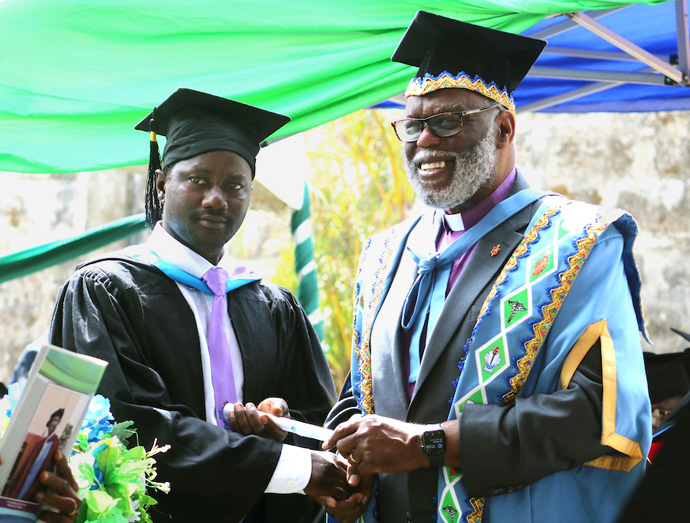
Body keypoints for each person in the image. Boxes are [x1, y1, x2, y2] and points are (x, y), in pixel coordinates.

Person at [323, 11, 651, 523]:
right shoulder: (385, 253)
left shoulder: (578, 242)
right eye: (412, 125)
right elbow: (364, 391)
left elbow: (601, 413)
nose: (424, 141)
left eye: (447, 121)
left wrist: (429, 445)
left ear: (503, 128)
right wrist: (340, 462)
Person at [49, 88, 349, 522]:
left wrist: (281, 424)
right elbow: (130, 429)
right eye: (198, 180)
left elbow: (320, 428)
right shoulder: (105, 291)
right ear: (161, 183)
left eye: (234, 186)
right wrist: (286, 466)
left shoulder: (273, 306)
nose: (216, 198)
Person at [4, 408, 63, 501]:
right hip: (28, 474)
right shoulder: (41, 442)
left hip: (38, 478)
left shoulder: (55, 443)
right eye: (54, 420)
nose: (54, 424)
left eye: (57, 421)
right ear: (50, 421)